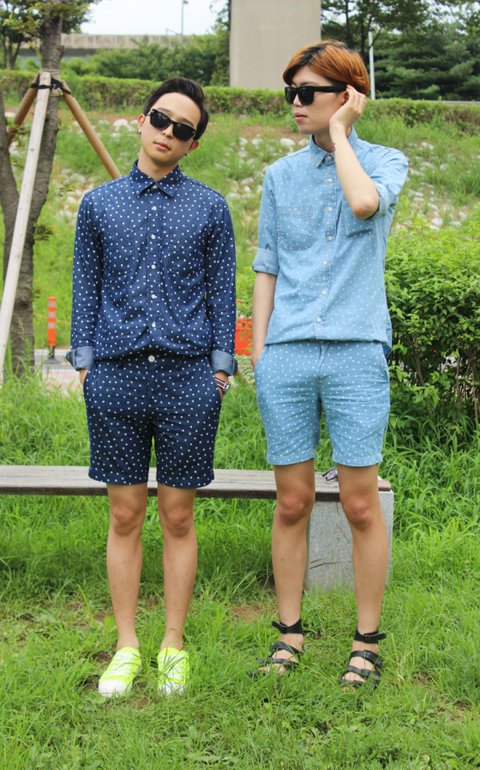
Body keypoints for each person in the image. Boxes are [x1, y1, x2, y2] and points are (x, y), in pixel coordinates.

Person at [67, 77, 236, 697]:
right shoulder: (99, 205)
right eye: (161, 119)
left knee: (178, 515)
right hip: (116, 377)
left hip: (189, 380)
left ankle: (172, 643)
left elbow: (223, 292)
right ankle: (126, 647)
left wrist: (221, 371)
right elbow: (85, 285)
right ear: (142, 121)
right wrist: (85, 365)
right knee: (124, 513)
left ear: (193, 144)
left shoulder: (211, 208)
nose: (168, 133)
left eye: (182, 129)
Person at [251, 41, 408, 687]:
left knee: (360, 503)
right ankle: (289, 633)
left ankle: (365, 642)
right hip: (287, 354)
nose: (295, 103)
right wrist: (260, 353)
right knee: (291, 502)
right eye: (290, 92)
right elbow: (267, 265)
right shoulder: (279, 176)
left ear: (347, 97)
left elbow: (364, 205)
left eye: (308, 93)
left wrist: (341, 135)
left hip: (355, 351)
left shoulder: (385, 162)